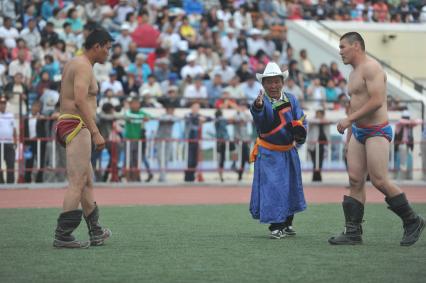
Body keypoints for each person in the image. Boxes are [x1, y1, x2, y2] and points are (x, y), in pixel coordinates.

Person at [329, 32, 424, 246]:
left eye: (343, 46)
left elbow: (377, 101)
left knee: (379, 180)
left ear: (356, 46)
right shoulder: (353, 73)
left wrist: (348, 120)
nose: (340, 51)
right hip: (359, 132)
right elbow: (355, 102)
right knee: (355, 179)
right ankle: (353, 232)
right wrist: (351, 133)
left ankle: (413, 220)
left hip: (376, 131)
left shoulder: (372, 67)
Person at [53, 28, 113, 249]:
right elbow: (80, 100)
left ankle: (95, 231)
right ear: (96, 46)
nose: (108, 53)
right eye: (107, 48)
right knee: (77, 182)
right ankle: (63, 235)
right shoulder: (83, 66)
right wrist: (95, 131)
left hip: (72, 123)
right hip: (77, 125)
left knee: (86, 181)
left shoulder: (78, 63)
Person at [249, 62, 307, 239]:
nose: (273, 86)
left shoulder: (292, 99)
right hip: (269, 153)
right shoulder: (262, 101)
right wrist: (258, 107)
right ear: (263, 84)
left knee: (290, 186)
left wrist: (300, 131)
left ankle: (287, 223)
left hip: (288, 151)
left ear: (282, 82)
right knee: (273, 188)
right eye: (269, 82)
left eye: (276, 81)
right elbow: (261, 119)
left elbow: (301, 120)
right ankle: (276, 225)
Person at [307, 108, 331, 182]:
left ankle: (317, 177)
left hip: (321, 145)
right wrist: (320, 120)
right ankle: (316, 177)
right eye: (317, 113)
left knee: (320, 161)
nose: (318, 115)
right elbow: (310, 121)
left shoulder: (325, 121)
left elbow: (333, 120)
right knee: (315, 161)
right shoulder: (312, 121)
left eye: (320, 114)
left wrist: (323, 120)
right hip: (313, 145)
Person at [0, 96, 17, 184]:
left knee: (10, 163)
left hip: (9, 142)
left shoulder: (10, 115)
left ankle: (11, 183)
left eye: (4, 104)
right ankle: (1, 182)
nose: (2, 105)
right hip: (0, 143)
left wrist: (15, 140)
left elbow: (14, 129)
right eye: (1, 104)